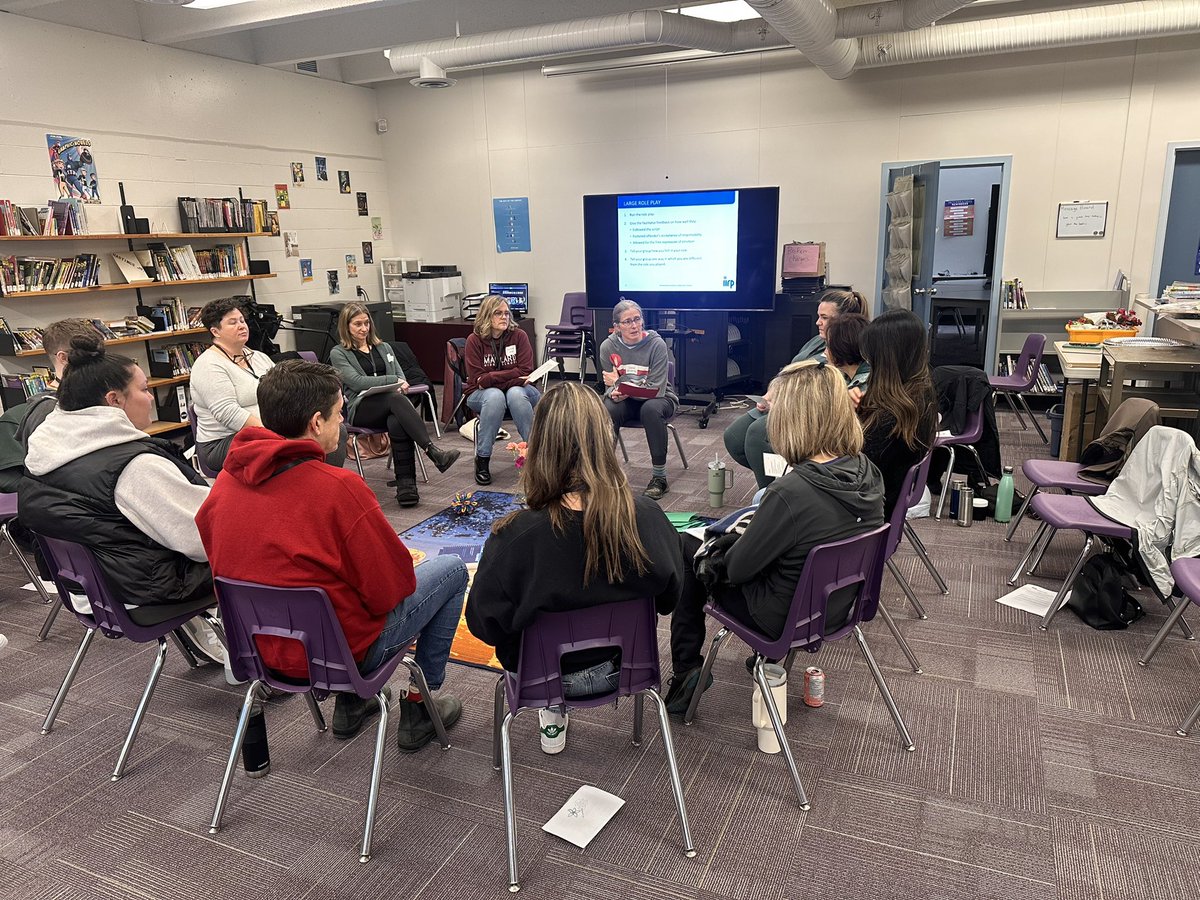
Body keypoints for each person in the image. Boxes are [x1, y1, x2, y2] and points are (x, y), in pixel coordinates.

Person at [195, 360, 468, 752]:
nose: (343, 424)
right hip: (339, 655)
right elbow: (393, 590)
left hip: (261, 653)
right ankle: (419, 706)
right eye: (340, 414)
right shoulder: (340, 489)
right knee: (452, 571)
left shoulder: (222, 486)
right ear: (316, 422)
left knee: (325, 587)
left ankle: (352, 705)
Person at [466, 382, 683, 754]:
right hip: (626, 667)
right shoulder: (647, 516)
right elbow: (669, 597)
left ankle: (552, 711)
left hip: (541, 676)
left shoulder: (519, 535)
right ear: (604, 439)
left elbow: (483, 622)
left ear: (542, 446)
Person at [665, 361, 884, 714]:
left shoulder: (791, 492)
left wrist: (733, 540)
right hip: (839, 606)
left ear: (793, 419)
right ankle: (756, 660)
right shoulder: (866, 470)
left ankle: (686, 672)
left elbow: (736, 570)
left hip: (782, 616)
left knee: (690, 547)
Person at [19, 333, 214, 617]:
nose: (150, 398)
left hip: (87, 589)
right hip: (145, 590)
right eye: (145, 390)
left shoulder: (45, 450)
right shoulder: (133, 466)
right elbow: (202, 541)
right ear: (114, 400)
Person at [723, 289, 870, 489]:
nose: (818, 322)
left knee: (757, 436)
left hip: (804, 408)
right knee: (734, 437)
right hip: (783, 397)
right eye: (818, 316)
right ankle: (786, 482)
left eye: (824, 318)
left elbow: (829, 395)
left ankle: (773, 494)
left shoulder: (846, 354)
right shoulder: (818, 341)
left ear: (843, 322)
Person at [190, 297, 347, 473]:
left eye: (242, 320)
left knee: (332, 429)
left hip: (269, 429)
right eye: (232, 323)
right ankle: (300, 490)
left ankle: (324, 485)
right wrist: (276, 432)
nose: (242, 326)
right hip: (222, 442)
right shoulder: (209, 365)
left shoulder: (258, 357)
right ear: (215, 331)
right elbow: (227, 412)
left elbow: (286, 391)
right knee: (292, 445)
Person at [329, 302, 460, 507]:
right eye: (357, 324)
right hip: (362, 408)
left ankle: (407, 488)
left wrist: (395, 381)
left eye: (366, 323)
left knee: (397, 421)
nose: (364, 329)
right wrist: (391, 382)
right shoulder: (338, 353)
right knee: (396, 399)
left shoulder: (384, 347)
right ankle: (432, 451)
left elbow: (400, 375)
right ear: (346, 327)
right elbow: (356, 382)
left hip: (391, 406)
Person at [0, 317, 99, 493]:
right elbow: (12, 484)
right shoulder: (24, 417)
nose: (101, 363)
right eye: (91, 356)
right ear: (63, 357)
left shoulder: (106, 402)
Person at [857, 309, 938, 519]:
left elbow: (852, 470)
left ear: (884, 360)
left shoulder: (889, 419)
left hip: (863, 514)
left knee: (767, 496)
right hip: (882, 506)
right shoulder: (919, 398)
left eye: (871, 357)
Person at [598, 299, 679, 500]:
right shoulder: (608, 347)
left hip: (661, 399)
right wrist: (615, 391)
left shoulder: (656, 344)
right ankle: (603, 474)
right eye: (627, 322)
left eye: (637, 319)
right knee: (608, 408)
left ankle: (660, 478)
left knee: (650, 409)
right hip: (628, 401)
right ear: (617, 327)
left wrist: (622, 385)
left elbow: (656, 389)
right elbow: (609, 386)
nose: (634, 325)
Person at [463, 294, 539, 486]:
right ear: (487, 316)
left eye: (507, 313)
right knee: (496, 396)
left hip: (520, 392)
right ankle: (482, 459)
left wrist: (493, 378)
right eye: (498, 313)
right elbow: (478, 380)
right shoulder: (474, 340)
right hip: (479, 395)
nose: (504, 317)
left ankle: (536, 456)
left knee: (513, 393)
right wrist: (510, 376)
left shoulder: (519, 336)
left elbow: (525, 371)